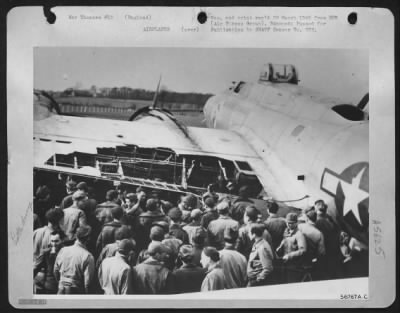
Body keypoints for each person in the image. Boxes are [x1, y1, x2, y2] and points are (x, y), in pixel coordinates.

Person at [54, 225, 95, 294]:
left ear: (76, 236)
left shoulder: (63, 250)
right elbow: (87, 284)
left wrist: (61, 282)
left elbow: (55, 271)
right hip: (75, 292)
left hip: (60, 290)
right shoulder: (88, 256)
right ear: (88, 238)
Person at [276, 213, 307, 283]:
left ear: (296, 223)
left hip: (295, 266)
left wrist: (289, 256)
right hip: (285, 264)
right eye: (287, 223)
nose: (289, 225)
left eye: (291, 223)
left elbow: (303, 250)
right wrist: (280, 247)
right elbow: (285, 241)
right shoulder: (286, 231)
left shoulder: (299, 235)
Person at [314, 200, 341, 279]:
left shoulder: (319, 221)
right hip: (334, 247)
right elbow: (336, 230)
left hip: (326, 247)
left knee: (326, 269)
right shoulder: (329, 218)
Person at [34, 230, 65, 294]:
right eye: (52, 241)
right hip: (50, 287)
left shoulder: (67, 253)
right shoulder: (46, 253)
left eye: (56, 241)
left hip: (64, 287)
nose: (54, 244)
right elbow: (36, 267)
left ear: (61, 241)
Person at [298, 207, 325, 279]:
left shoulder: (299, 227)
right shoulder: (319, 233)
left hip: (297, 259)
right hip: (310, 261)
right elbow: (321, 252)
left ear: (307, 218)